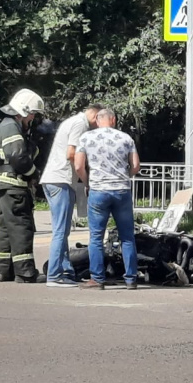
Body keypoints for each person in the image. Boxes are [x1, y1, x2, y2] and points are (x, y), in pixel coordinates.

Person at [75, 108, 140, 290]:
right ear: (113, 120)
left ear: (97, 119)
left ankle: (97, 279)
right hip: (122, 191)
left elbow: (78, 165)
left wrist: (88, 182)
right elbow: (135, 165)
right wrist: (123, 175)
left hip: (98, 191)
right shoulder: (126, 138)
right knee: (127, 237)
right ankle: (131, 279)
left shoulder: (86, 138)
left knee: (96, 237)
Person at [39, 104, 104, 287]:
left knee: (62, 230)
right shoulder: (80, 125)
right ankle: (54, 275)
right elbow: (71, 154)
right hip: (62, 180)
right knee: (61, 231)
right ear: (95, 116)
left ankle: (66, 271)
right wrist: (86, 179)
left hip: (54, 180)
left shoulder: (72, 121)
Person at [0, 89, 47, 283]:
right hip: (15, 186)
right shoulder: (11, 127)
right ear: (22, 111)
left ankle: (3, 269)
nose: (32, 118)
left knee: (6, 228)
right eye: (31, 113)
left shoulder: (5, 125)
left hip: (4, 185)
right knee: (22, 227)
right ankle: (25, 272)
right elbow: (17, 157)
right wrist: (33, 174)